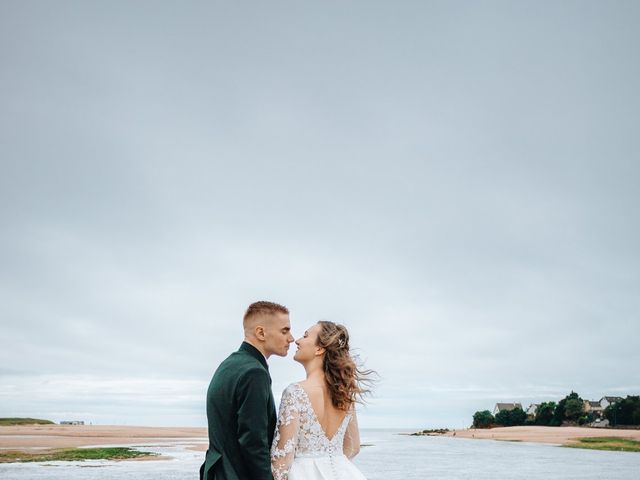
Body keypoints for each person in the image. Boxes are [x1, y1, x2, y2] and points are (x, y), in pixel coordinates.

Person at [201, 301, 294, 480]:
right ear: (261, 333)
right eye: (285, 330)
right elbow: (253, 442)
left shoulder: (228, 365)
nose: (291, 338)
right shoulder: (254, 372)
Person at [271, 320, 373, 480]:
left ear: (319, 349)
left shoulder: (295, 392)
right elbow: (353, 448)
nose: (297, 340)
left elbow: (281, 462)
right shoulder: (344, 394)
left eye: (305, 336)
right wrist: (331, 463)